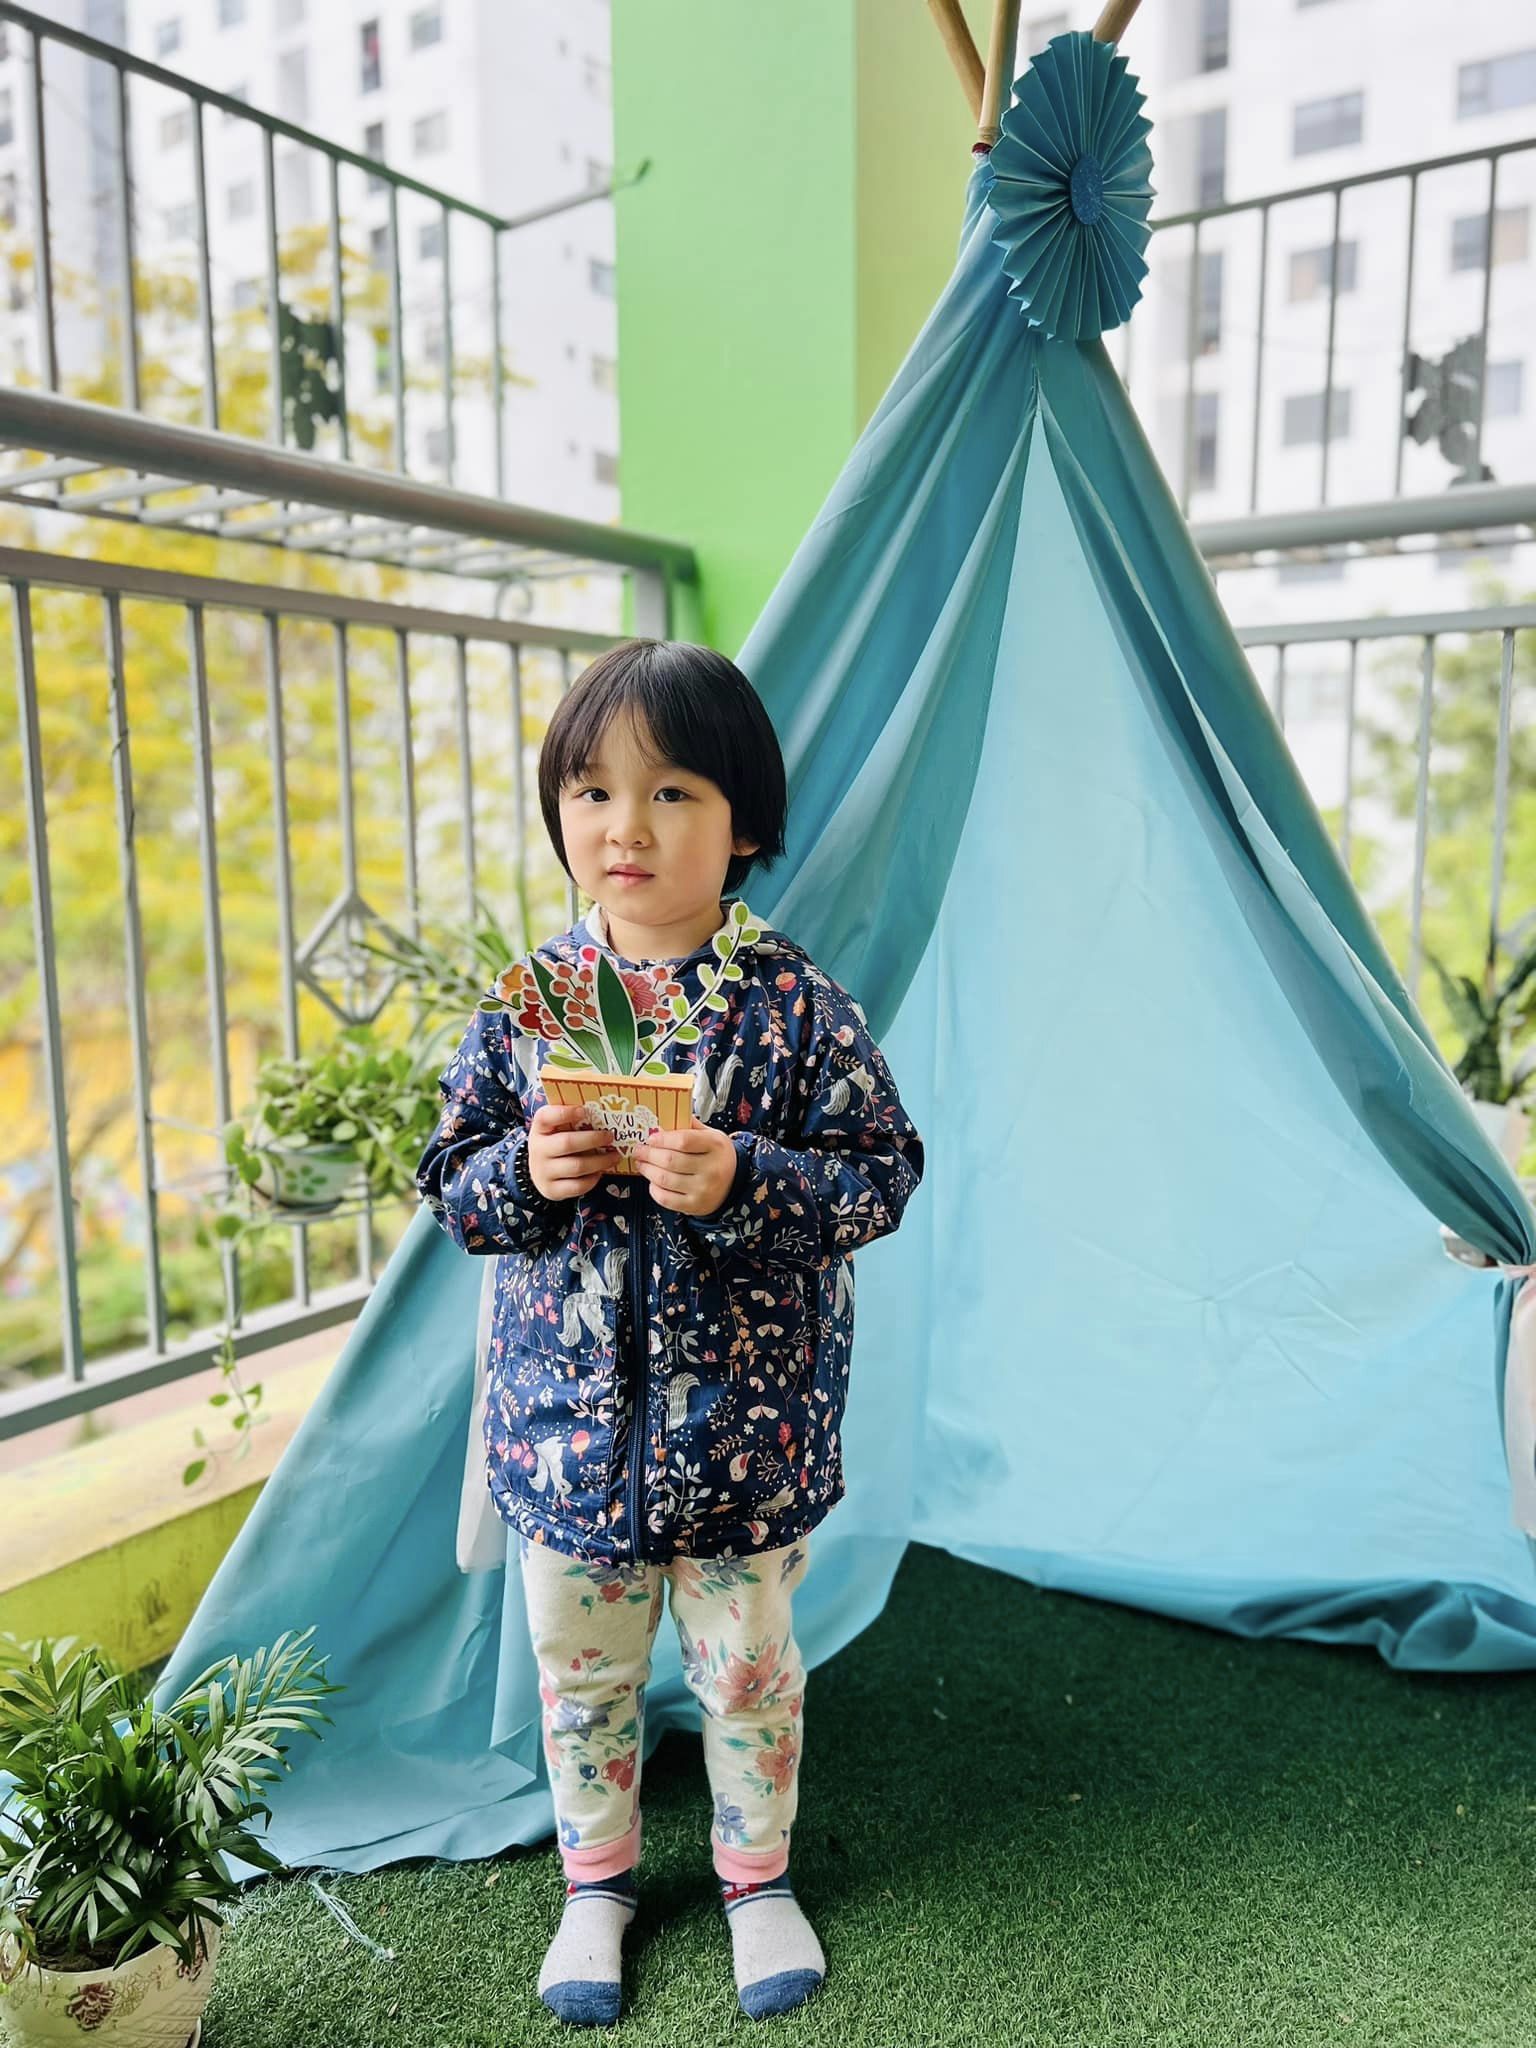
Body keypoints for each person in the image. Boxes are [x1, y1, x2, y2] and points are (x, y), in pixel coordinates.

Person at [415, 639, 924, 2025]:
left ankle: (757, 1881)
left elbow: (883, 1174)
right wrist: (527, 1172)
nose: (624, 827)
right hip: (566, 1440)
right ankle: (597, 1885)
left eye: (672, 792)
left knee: (747, 1672)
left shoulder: (798, 1004)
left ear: (744, 823)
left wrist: (749, 1177)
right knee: (581, 1679)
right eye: (591, 791)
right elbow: (451, 1184)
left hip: (746, 1441)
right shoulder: (529, 1004)